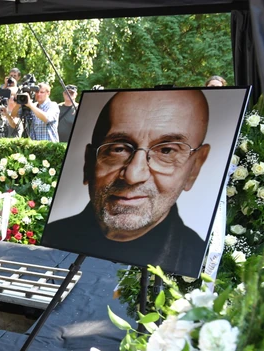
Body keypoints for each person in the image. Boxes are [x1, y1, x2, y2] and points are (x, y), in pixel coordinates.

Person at [42, 89, 211, 275]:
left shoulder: (192, 257)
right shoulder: (55, 237)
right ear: (88, 163)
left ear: (194, 168)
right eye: (118, 149)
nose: (133, 175)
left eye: (166, 151)